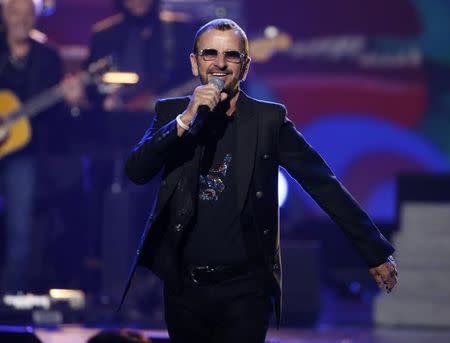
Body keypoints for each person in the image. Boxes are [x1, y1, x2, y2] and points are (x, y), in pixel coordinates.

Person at [122, 19, 398, 343]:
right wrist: (185, 119)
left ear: (245, 66)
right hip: (184, 287)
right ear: (194, 62)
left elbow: (323, 183)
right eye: (210, 53)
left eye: (232, 55)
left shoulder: (269, 120)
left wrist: (374, 250)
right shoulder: (171, 113)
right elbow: (136, 171)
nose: (220, 63)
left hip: (246, 288)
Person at [0, 0, 82, 292]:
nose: (21, 19)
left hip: (26, 153)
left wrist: (72, 103)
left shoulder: (48, 56)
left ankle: (10, 300)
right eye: (14, 12)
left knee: (19, 229)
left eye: (27, 13)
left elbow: (58, 119)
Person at [84, 0, 195, 111]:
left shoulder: (181, 29)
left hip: (171, 116)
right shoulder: (104, 35)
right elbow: (91, 86)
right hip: (117, 118)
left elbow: (194, 78)